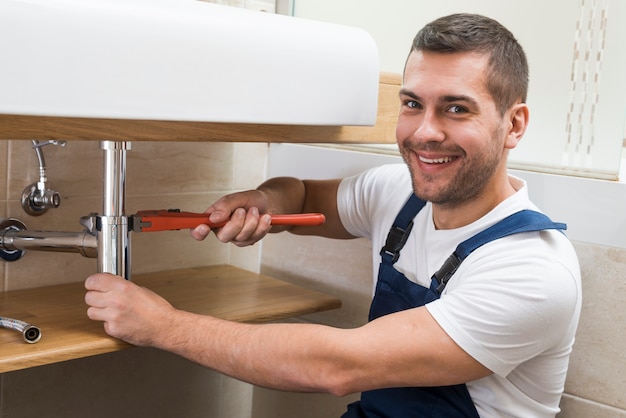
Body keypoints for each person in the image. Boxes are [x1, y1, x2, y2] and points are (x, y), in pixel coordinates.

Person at [84, 13, 581, 418]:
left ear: (513, 124)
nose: (425, 132)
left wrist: (162, 325)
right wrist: (265, 201)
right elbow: (298, 193)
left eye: (456, 109)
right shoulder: (400, 193)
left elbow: (335, 367)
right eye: (413, 104)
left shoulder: (532, 270)